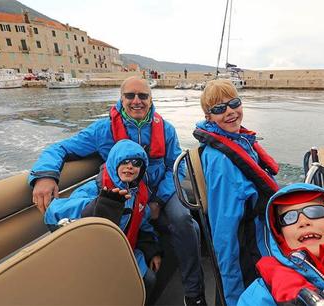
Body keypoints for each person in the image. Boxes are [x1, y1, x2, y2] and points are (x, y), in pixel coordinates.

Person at [29, 76, 206, 305]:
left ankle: (194, 293)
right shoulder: (103, 130)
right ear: (121, 99)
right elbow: (61, 147)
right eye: (130, 95)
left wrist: (159, 201)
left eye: (143, 96)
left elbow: (177, 166)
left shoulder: (167, 130)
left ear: (151, 100)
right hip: (125, 193)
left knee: (185, 220)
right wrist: (44, 175)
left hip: (160, 191)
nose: (136, 101)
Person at [194, 79, 279, 305]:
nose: (230, 112)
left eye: (234, 103)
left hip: (261, 233)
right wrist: (231, 289)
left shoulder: (240, 141)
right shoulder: (222, 161)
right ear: (209, 116)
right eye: (219, 109)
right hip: (248, 247)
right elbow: (225, 229)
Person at [44, 139, 161, 298]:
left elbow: (143, 224)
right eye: (124, 161)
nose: (130, 166)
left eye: (136, 163)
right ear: (114, 163)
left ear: (142, 169)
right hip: (92, 255)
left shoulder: (139, 194)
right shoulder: (95, 189)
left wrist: (152, 251)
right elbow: (54, 212)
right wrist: (99, 205)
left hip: (124, 250)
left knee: (149, 280)